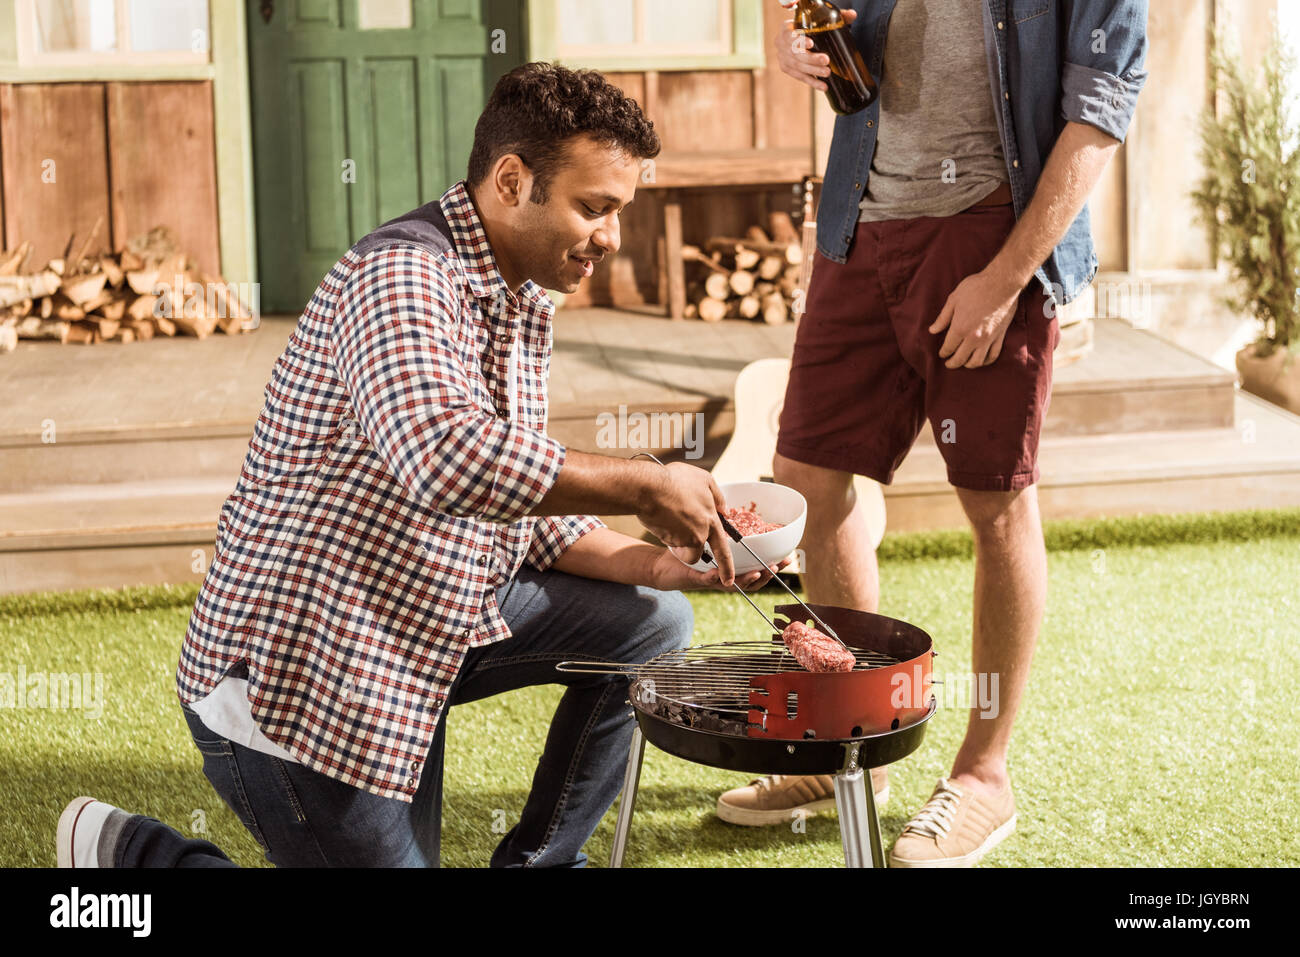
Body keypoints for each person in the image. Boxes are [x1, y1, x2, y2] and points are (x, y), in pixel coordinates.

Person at [57, 62, 782, 869]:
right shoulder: (402, 276)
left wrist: (666, 565)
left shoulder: (516, 293)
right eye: (594, 207)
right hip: (303, 677)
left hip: (418, 629)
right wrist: (648, 482)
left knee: (654, 621)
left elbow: (517, 502)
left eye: (620, 210)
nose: (611, 236)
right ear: (512, 180)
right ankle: (138, 851)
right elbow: (446, 458)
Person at [716, 1, 1148, 867]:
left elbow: (1103, 108)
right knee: (812, 479)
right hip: (860, 221)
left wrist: (1004, 277)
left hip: (991, 231)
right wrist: (789, 43)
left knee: (995, 501)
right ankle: (851, 742)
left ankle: (985, 776)